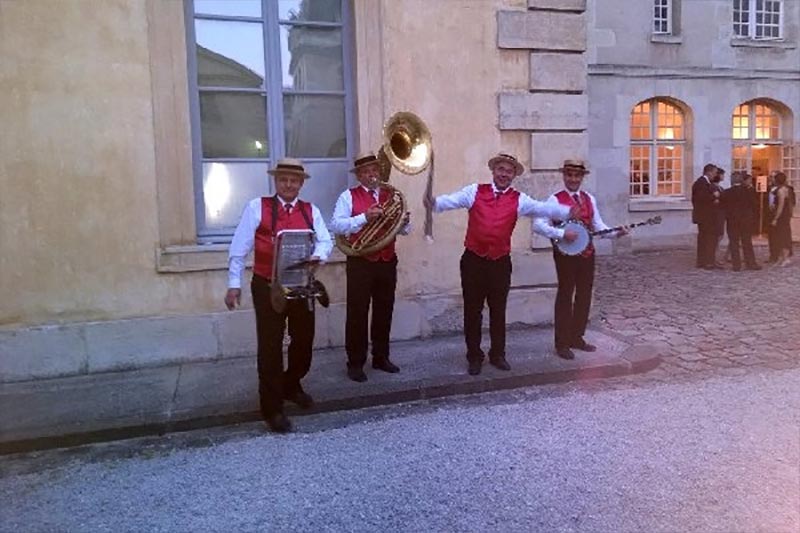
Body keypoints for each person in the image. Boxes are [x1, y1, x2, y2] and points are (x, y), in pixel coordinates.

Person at [426, 153, 576, 375]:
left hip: (500, 262)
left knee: (498, 311)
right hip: (473, 260)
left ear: (514, 175)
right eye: (501, 169)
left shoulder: (520, 199)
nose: (504, 174)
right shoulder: (474, 191)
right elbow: (452, 200)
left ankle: (498, 354)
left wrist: (566, 211)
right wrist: (435, 202)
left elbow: (542, 208)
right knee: (472, 310)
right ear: (493, 171)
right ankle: (474, 356)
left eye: (509, 171)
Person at [224, 158, 333, 433]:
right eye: (283, 179)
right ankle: (271, 408)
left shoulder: (311, 211)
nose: (288, 184)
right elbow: (239, 247)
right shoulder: (257, 207)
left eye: (294, 180)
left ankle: (291, 384)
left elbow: (326, 240)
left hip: (300, 285)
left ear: (301, 183)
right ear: (276, 181)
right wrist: (233, 283)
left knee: (304, 341)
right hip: (267, 284)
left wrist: (317, 257)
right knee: (270, 347)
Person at [533, 159, 628, 360]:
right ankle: (561, 343)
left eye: (577, 176)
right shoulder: (554, 200)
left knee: (585, 295)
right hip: (565, 254)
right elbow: (538, 225)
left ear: (582, 177)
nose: (573, 179)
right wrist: (560, 234)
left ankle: (577, 337)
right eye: (569, 175)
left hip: (587, 253)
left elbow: (598, 225)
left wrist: (615, 233)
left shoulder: (588, 199)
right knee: (566, 295)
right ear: (564, 176)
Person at [331, 151, 411, 383]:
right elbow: (336, 225)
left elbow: (404, 231)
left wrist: (404, 223)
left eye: (374, 170)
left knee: (384, 310)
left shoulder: (390, 195)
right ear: (359, 176)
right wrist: (364, 217)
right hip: (360, 261)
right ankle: (355, 363)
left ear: (380, 172)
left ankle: (381, 357)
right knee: (357, 313)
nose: (371, 175)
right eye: (366, 172)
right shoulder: (348, 196)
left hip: (387, 260)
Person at [721, 172, 761, 271]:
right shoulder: (748, 191)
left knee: (734, 242)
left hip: (732, 220)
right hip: (745, 219)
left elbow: (722, 207)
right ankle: (750, 263)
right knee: (746, 242)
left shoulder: (726, 192)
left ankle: (736, 265)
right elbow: (754, 204)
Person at [692, 163, 721, 270]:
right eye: (714, 172)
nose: (715, 175)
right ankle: (707, 262)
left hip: (706, 216)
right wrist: (714, 196)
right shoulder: (701, 183)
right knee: (707, 239)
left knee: (706, 239)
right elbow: (701, 198)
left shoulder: (706, 183)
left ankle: (705, 261)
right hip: (705, 216)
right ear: (709, 172)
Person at [771, 171, 795, 267]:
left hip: (782, 216)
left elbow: (780, 206)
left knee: (783, 236)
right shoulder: (787, 189)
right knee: (782, 235)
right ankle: (782, 257)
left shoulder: (781, 191)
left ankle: (786, 258)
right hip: (786, 215)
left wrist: (776, 218)